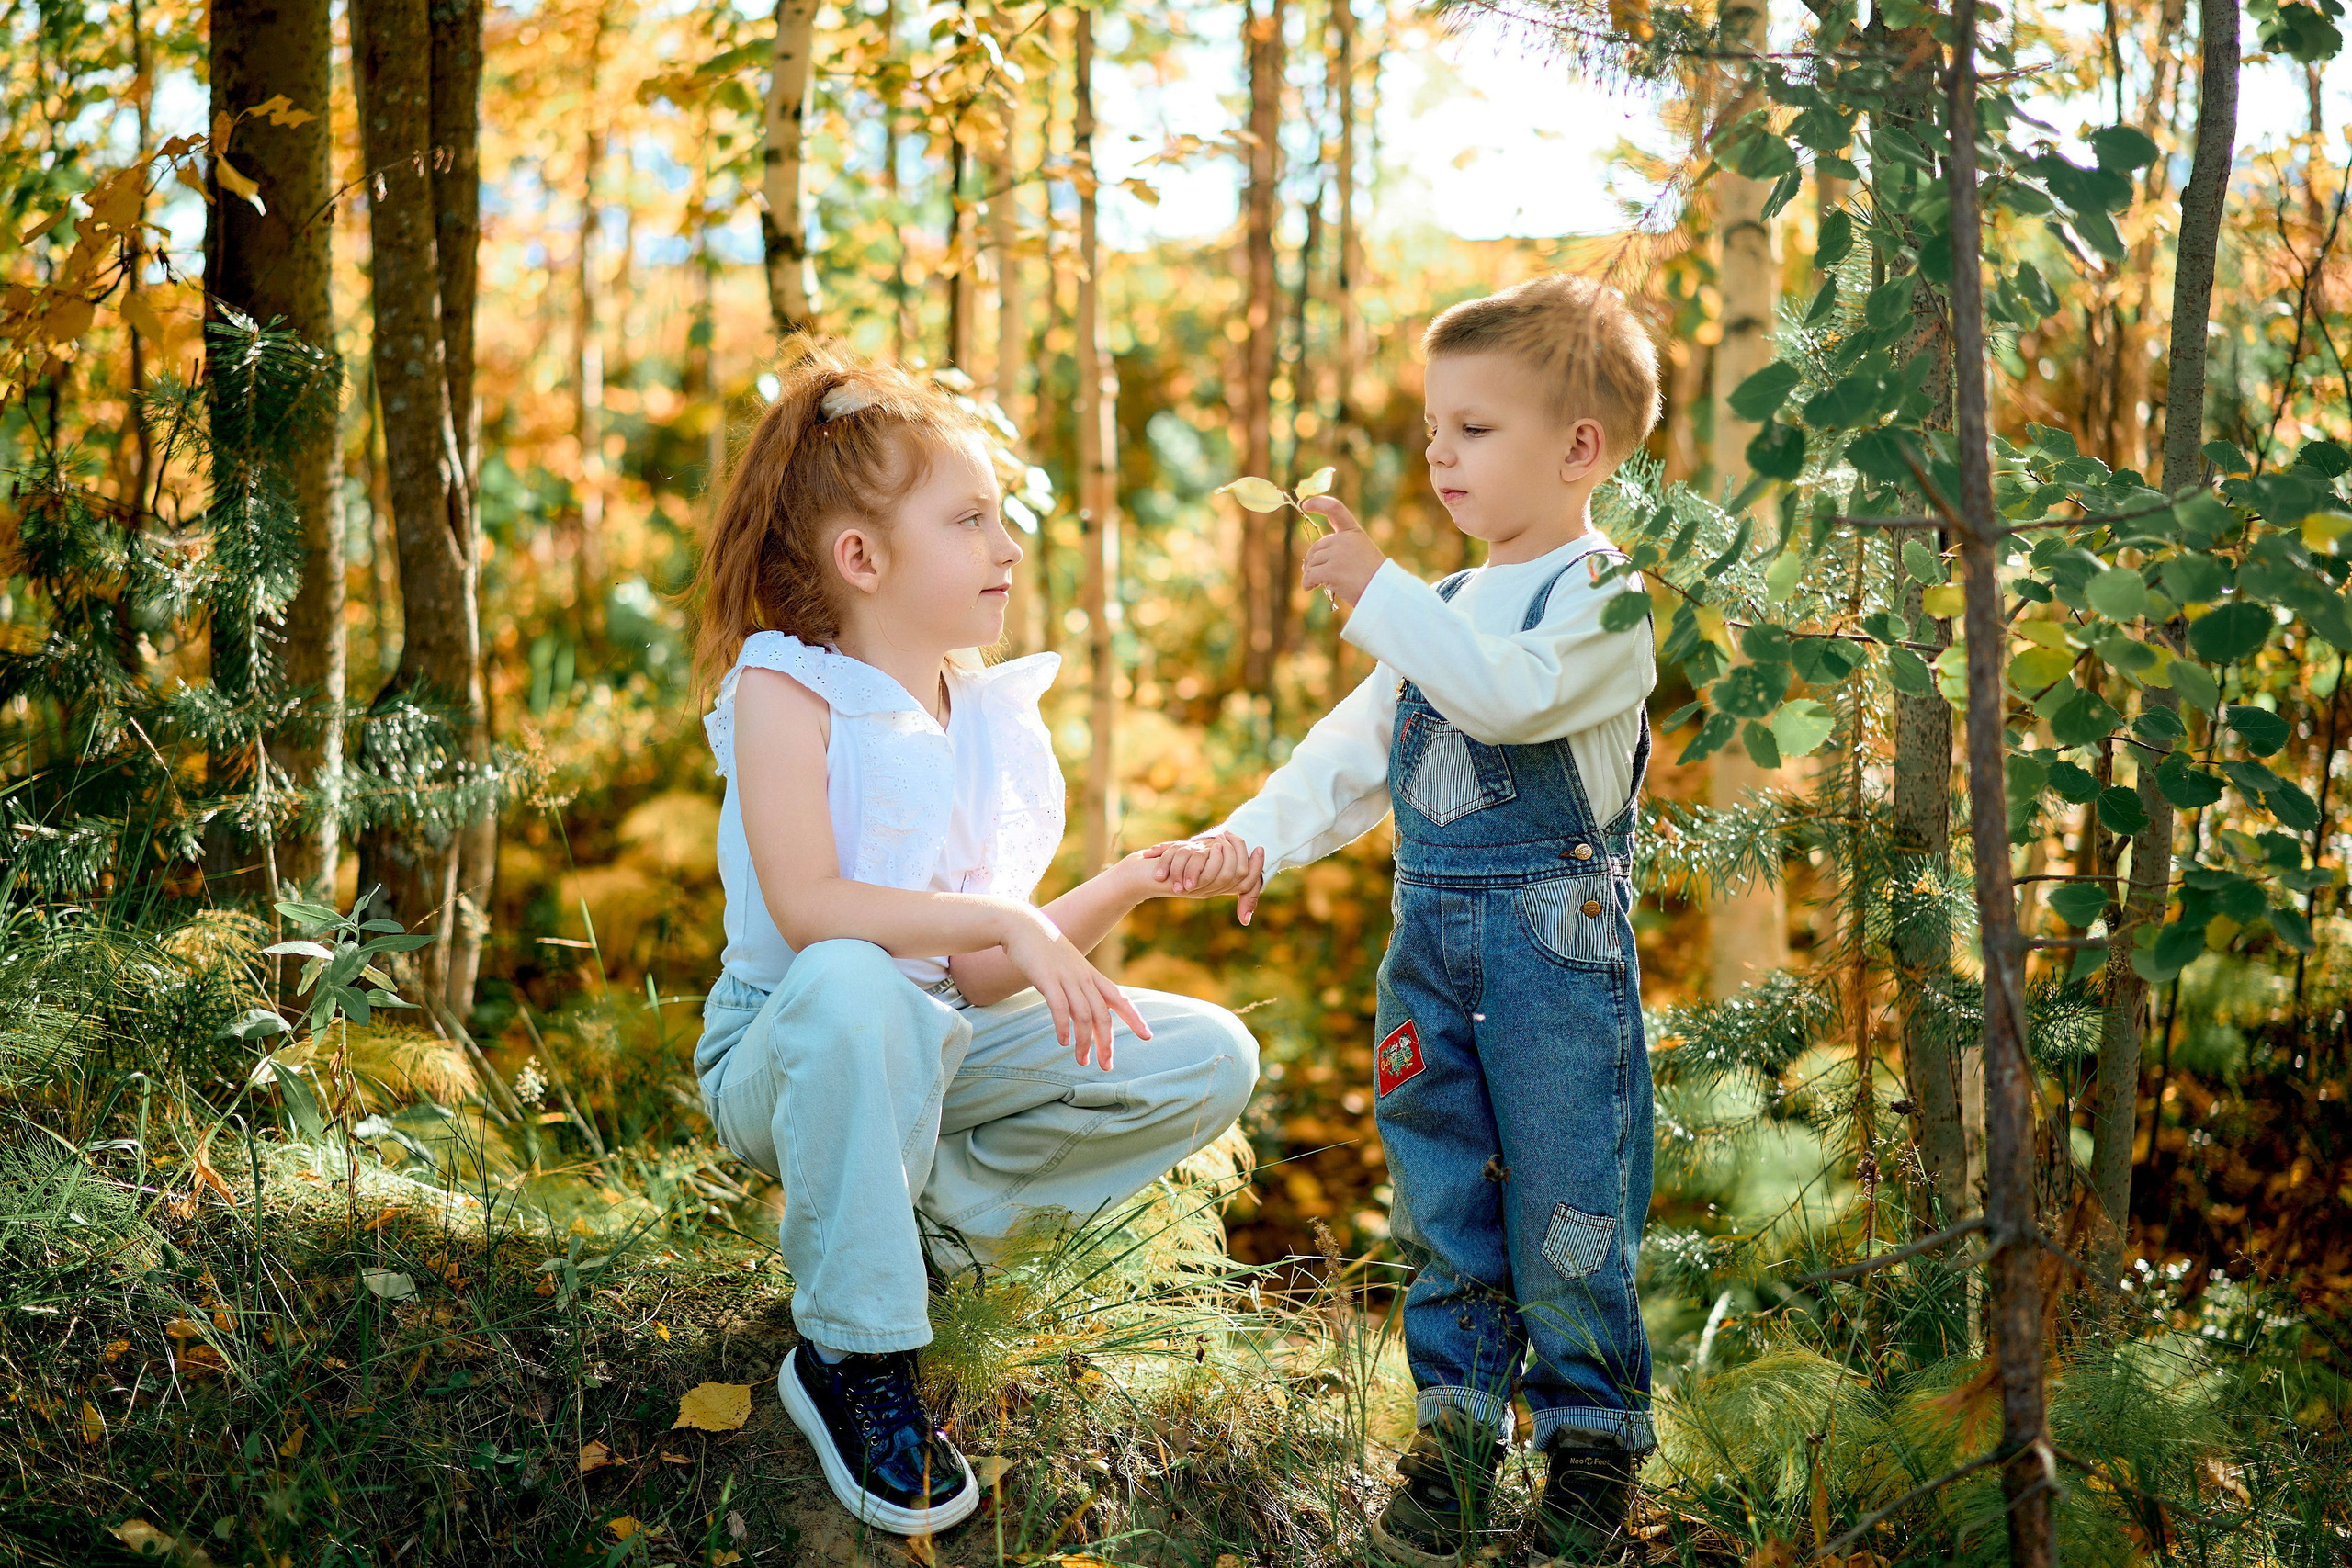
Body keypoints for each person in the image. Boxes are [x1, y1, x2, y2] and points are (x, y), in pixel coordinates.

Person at [687, 345, 1263, 1539]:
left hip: (937, 1046)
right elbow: (811, 910)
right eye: (971, 520)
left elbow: (984, 971)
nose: (1007, 547)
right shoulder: (783, 691)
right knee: (855, 983)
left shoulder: (984, 718)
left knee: (1208, 1053)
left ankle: (915, 1229)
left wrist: (1127, 885)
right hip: (786, 1051)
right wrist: (1000, 921)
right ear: (863, 558)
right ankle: (851, 1356)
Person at [1164, 274, 1661, 1565]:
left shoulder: (1604, 601)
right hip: (1430, 943)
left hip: (1554, 949)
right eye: (1435, 425)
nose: (1440, 451)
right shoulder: (1439, 604)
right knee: (1439, 1184)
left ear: (1580, 449)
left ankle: (1592, 1442)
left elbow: (1500, 703)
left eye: (1475, 429)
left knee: (1568, 1194)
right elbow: (1351, 751)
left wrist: (1382, 591)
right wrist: (1252, 838)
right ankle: (1452, 1431)